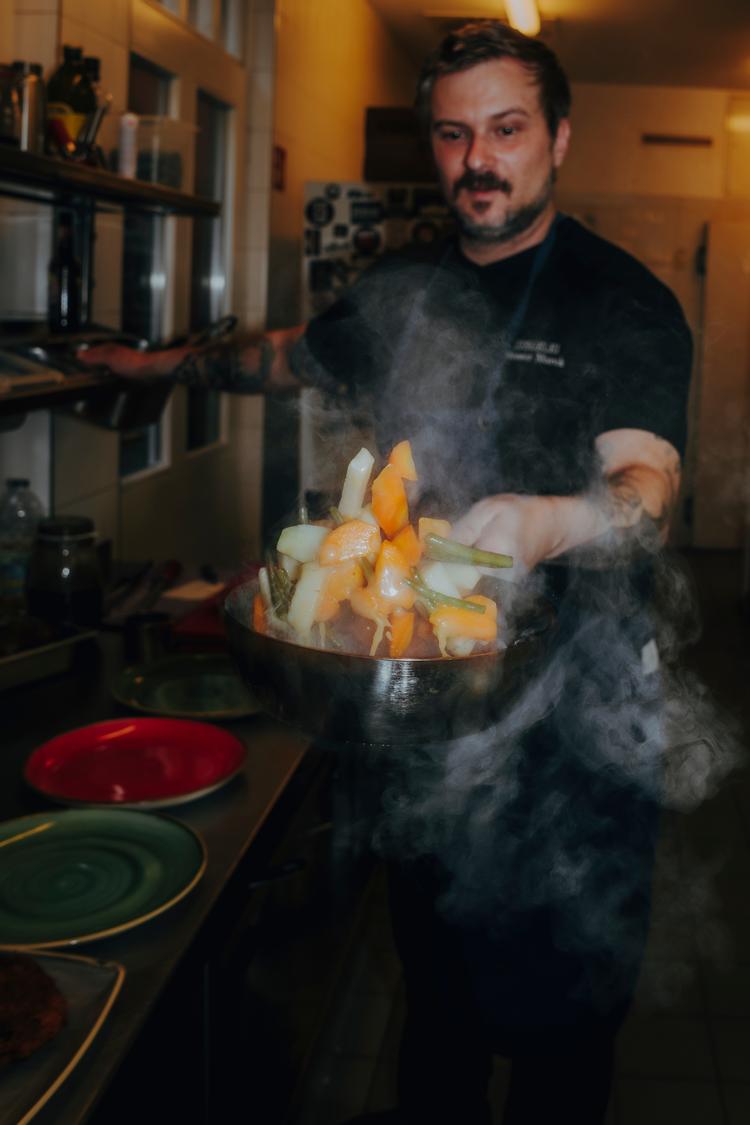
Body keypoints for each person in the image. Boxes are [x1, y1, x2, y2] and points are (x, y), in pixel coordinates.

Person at [82, 21, 692, 1124]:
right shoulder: (402, 290)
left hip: (578, 736)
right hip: (432, 719)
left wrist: (551, 522)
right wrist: (154, 364)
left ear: (558, 137)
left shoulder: (624, 300)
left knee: (563, 1048)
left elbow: (647, 492)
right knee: (440, 1018)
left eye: (507, 131)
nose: (479, 161)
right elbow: (284, 357)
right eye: (455, 135)